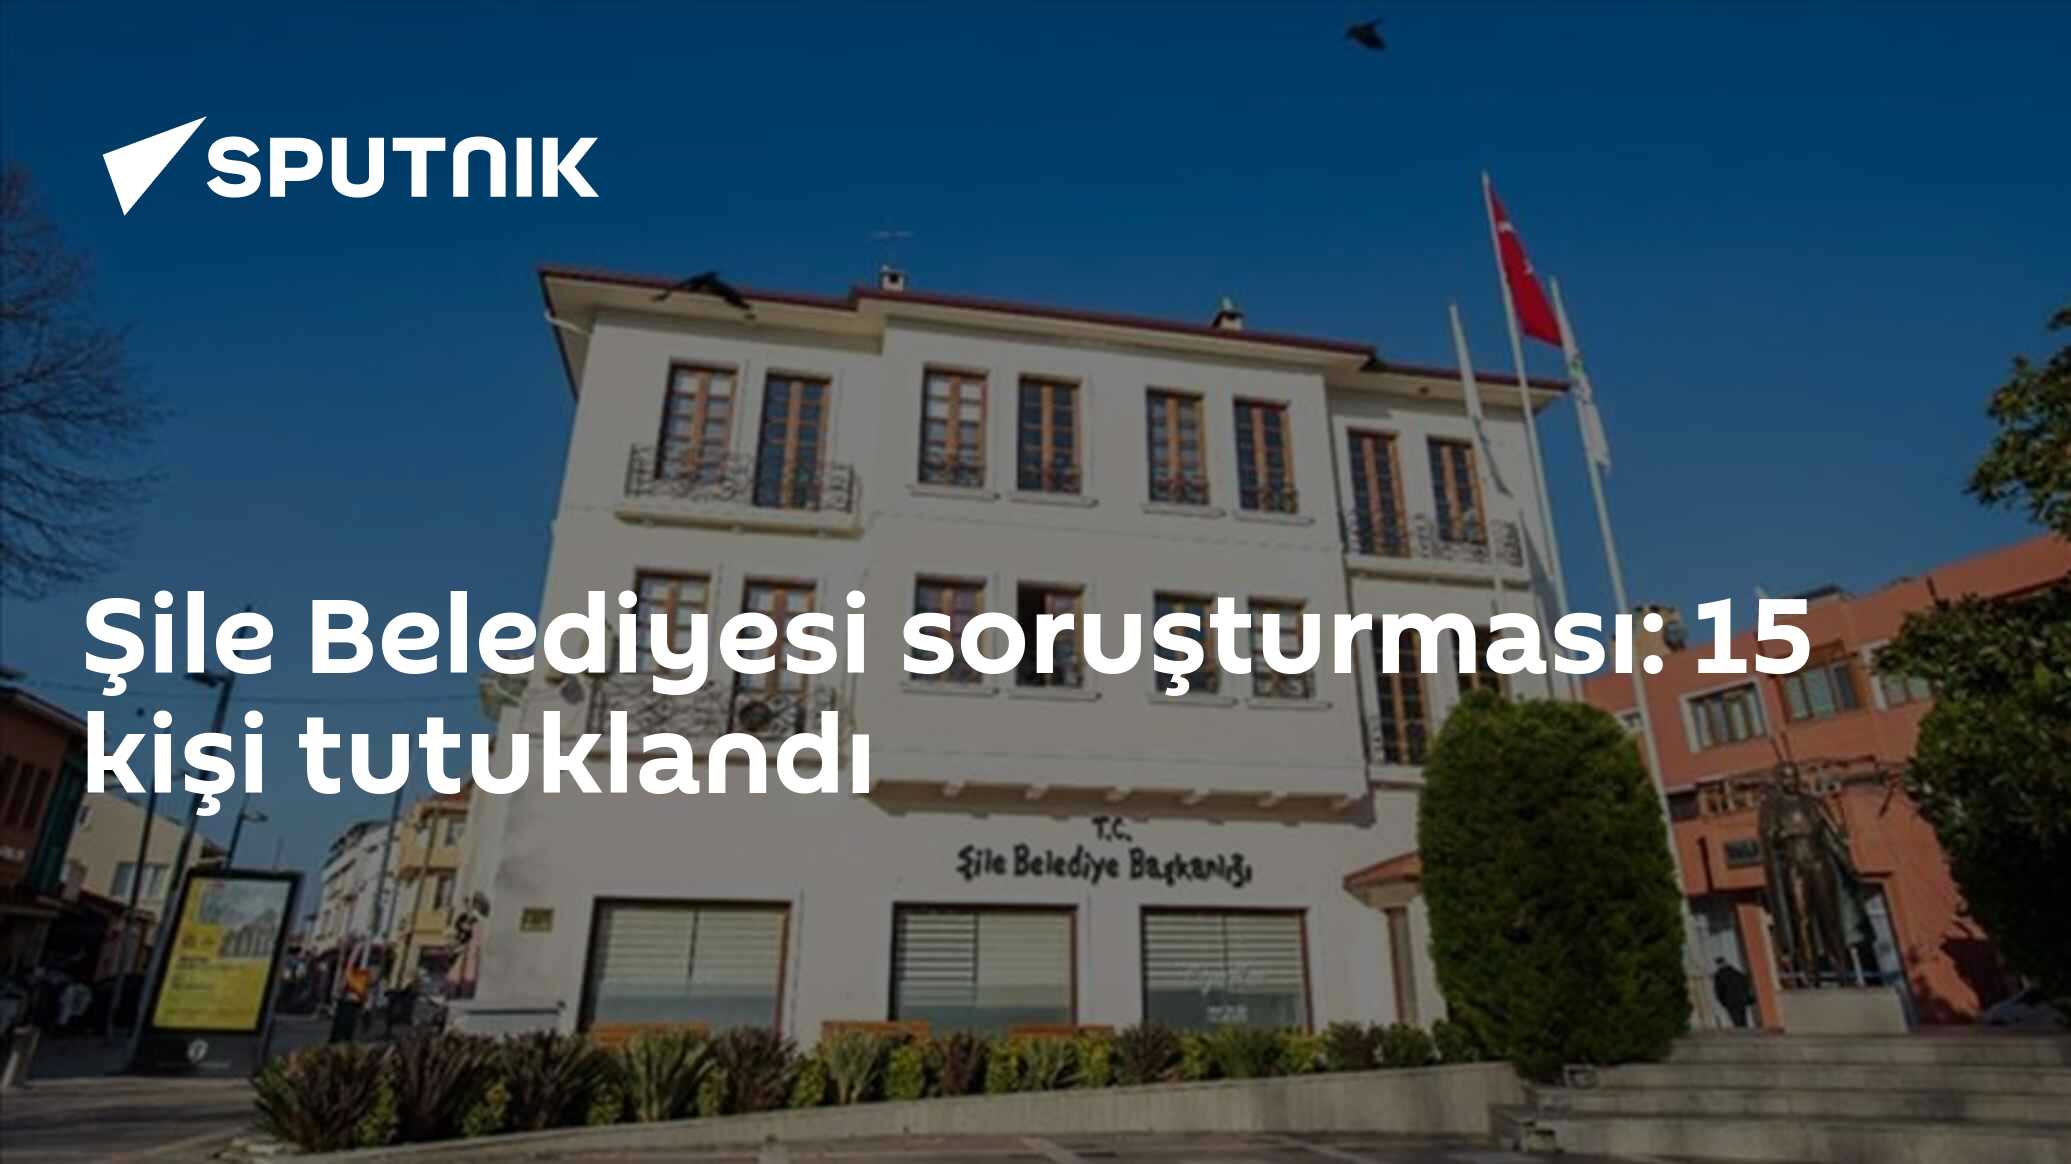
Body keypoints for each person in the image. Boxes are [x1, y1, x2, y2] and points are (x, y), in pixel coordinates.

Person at [1712, 956, 1755, 1029]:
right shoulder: (1736, 973)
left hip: (1730, 1002)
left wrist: (1723, 1002)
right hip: (1741, 1000)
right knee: (1743, 1019)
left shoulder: (1719, 976)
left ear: (1718, 965)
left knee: (1736, 1020)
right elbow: (1746, 984)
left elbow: (1718, 990)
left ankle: (1742, 1032)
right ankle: (1745, 1031)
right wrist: (1746, 997)